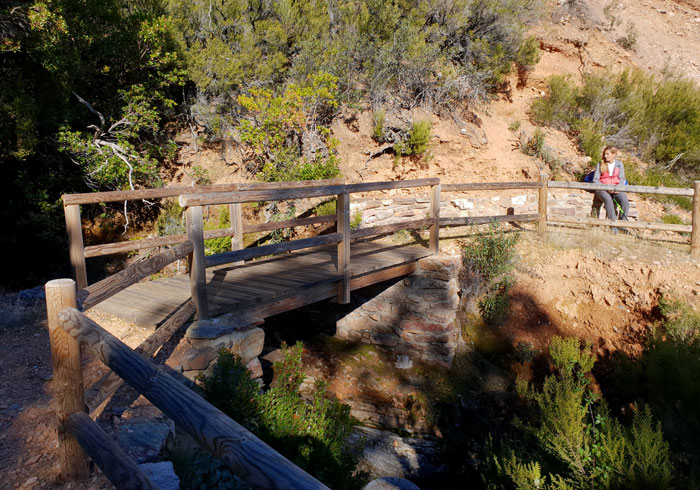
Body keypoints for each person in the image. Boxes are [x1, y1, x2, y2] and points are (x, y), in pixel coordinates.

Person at [592, 146, 629, 221]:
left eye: (608, 154)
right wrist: (605, 188)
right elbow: (595, 179)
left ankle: (623, 224)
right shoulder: (600, 164)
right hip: (602, 189)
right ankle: (613, 224)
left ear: (614, 154)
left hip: (616, 188)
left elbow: (622, 178)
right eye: (604, 154)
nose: (605, 156)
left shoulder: (619, 164)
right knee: (608, 200)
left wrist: (618, 188)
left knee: (625, 202)